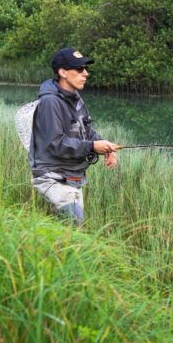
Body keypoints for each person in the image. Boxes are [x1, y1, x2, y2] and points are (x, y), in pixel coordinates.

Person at [29, 47, 118, 224]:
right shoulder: (50, 102)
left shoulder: (75, 97)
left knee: (69, 235)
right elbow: (56, 144)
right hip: (53, 178)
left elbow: (87, 130)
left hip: (72, 178)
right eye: (79, 69)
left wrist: (104, 145)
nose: (85, 74)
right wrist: (92, 147)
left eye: (86, 69)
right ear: (62, 72)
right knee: (74, 229)